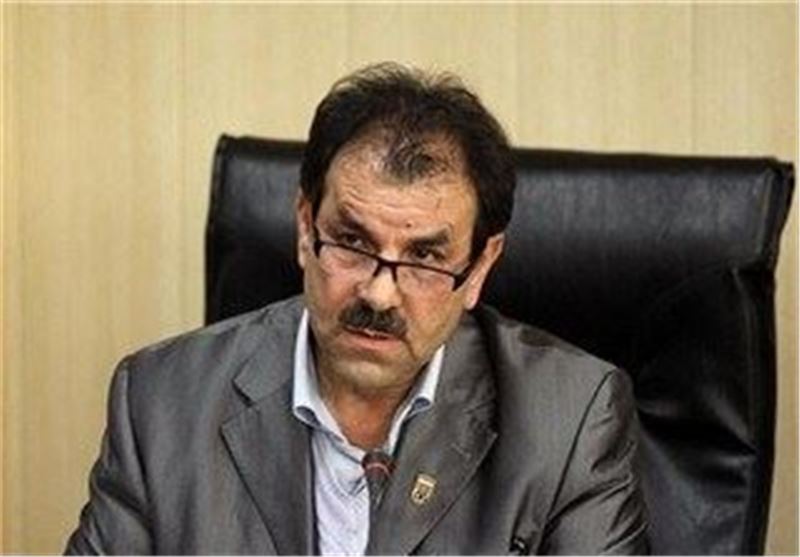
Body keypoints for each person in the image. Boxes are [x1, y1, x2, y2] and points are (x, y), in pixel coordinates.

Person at [66, 62, 647, 555]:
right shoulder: (161, 404)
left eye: (424, 257)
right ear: (304, 228)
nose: (379, 294)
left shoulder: (570, 421)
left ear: (480, 267)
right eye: (352, 242)